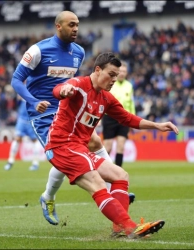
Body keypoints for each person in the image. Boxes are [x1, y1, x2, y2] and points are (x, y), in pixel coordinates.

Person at [45, 52, 179, 238]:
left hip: (79, 149)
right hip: (61, 146)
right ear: (98, 70)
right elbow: (60, 88)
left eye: (117, 76)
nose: (114, 79)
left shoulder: (106, 98)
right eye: (111, 74)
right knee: (98, 183)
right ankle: (131, 227)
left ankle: (118, 230)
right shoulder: (79, 85)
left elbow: (127, 118)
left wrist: (156, 126)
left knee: (120, 175)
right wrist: (63, 91)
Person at [10, 11, 117, 226]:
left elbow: (72, 82)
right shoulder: (38, 50)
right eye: (71, 25)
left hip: (68, 110)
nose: (76, 28)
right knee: (64, 155)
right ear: (58, 26)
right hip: (44, 112)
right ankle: (50, 197)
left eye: (77, 24)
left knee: (94, 141)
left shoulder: (79, 52)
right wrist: (32, 101)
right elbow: (16, 80)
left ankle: (111, 188)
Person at [102, 61, 136, 203]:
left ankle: (117, 178)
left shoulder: (129, 85)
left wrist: (133, 119)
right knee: (108, 147)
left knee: (121, 146)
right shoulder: (111, 83)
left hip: (124, 118)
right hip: (109, 118)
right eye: (120, 71)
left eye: (124, 71)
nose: (122, 73)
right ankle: (104, 174)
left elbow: (131, 103)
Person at [4, 99, 41, 171]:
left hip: (31, 120)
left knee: (34, 140)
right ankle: (10, 161)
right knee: (17, 138)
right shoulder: (23, 90)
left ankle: (35, 163)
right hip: (21, 120)